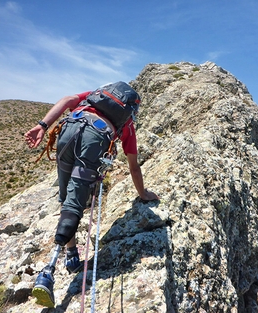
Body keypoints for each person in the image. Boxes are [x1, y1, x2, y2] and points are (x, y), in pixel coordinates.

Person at [24, 81, 159, 307]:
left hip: (67, 129)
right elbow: (134, 167)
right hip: (94, 140)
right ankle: (48, 271)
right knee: (75, 204)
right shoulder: (126, 124)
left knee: (66, 198)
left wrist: (42, 125)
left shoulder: (92, 98)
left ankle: (71, 254)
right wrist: (143, 193)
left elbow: (67, 100)